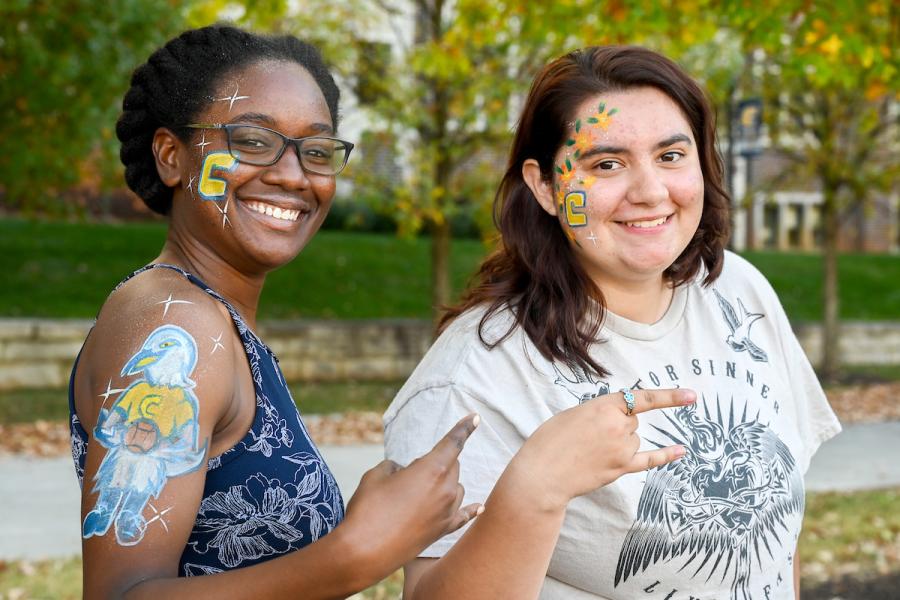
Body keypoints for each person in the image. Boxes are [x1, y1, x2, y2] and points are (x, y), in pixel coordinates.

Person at [384, 45, 841, 599]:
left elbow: (777, 541)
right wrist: (536, 490)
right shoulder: (472, 377)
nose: (650, 192)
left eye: (671, 156)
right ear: (545, 187)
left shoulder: (739, 293)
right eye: (606, 164)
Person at [69, 24, 483, 598]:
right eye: (253, 141)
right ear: (171, 156)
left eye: (316, 151)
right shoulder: (176, 326)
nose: (293, 175)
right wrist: (359, 551)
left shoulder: (215, 319)